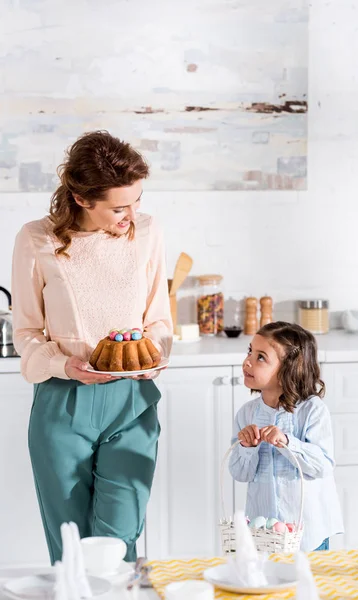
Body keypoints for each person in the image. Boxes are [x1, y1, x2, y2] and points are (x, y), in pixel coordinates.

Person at [12, 130, 172, 563]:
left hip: (133, 402)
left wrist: (154, 355)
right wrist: (65, 365)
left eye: (137, 201)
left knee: (118, 542)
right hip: (63, 405)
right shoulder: (37, 239)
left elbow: (158, 318)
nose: (132, 214)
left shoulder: (148, 233)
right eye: (120, 207)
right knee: (70, 549)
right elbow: (25, 333)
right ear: (83, 199)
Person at [229, 321, 343, 551]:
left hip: (308, 529)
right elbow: (239, 473)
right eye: (250, 351)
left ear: (287, 370)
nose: (248, 361)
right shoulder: (247, 414)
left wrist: (287, 442)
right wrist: (247, 447)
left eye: (261, 357)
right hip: (265, 533)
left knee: (308, 583)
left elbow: (322, 465)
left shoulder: (312, 410)